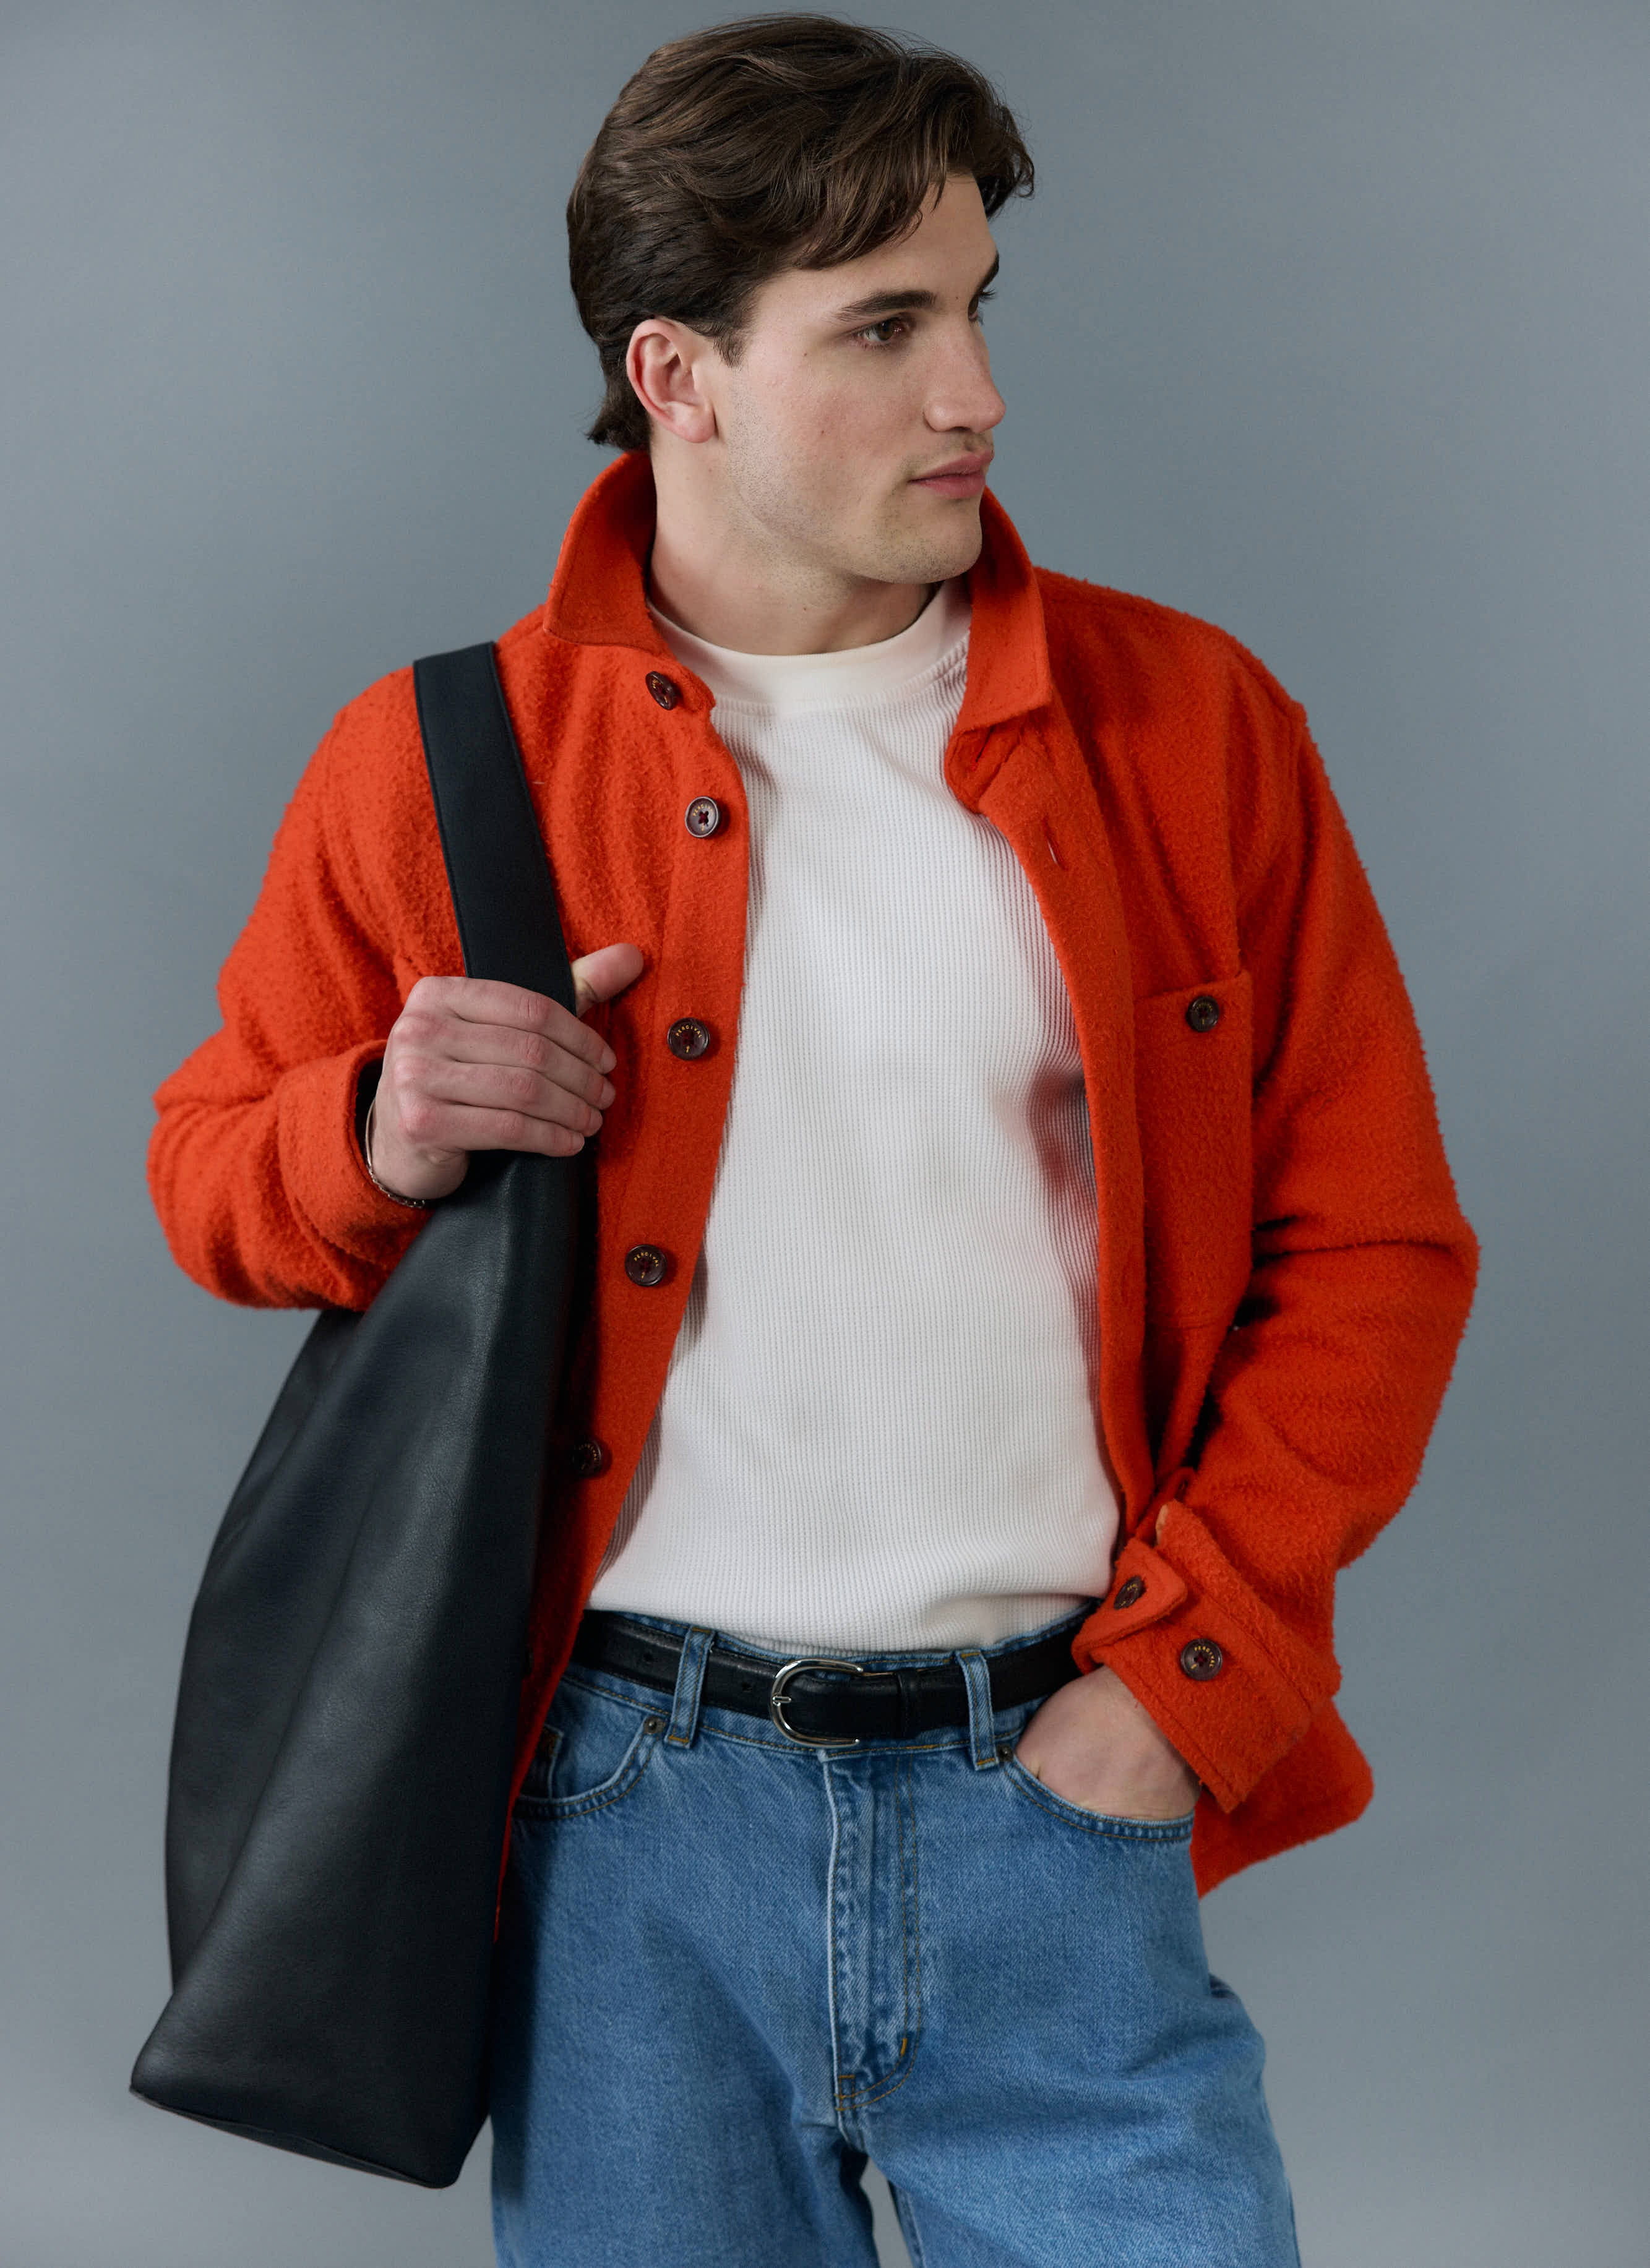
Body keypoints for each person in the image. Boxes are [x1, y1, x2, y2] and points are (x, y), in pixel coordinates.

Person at [148, 16, 1479, 2266]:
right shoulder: (443, 757)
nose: (974, 392)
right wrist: (374, 1124)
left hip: (1055, 1786)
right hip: (622, 1821)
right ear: (677, 374)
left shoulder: (1190, 728)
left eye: (974, 309)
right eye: (885, 326)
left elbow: (1371, 1243)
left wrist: (1191, 1683)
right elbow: (212, 1179)